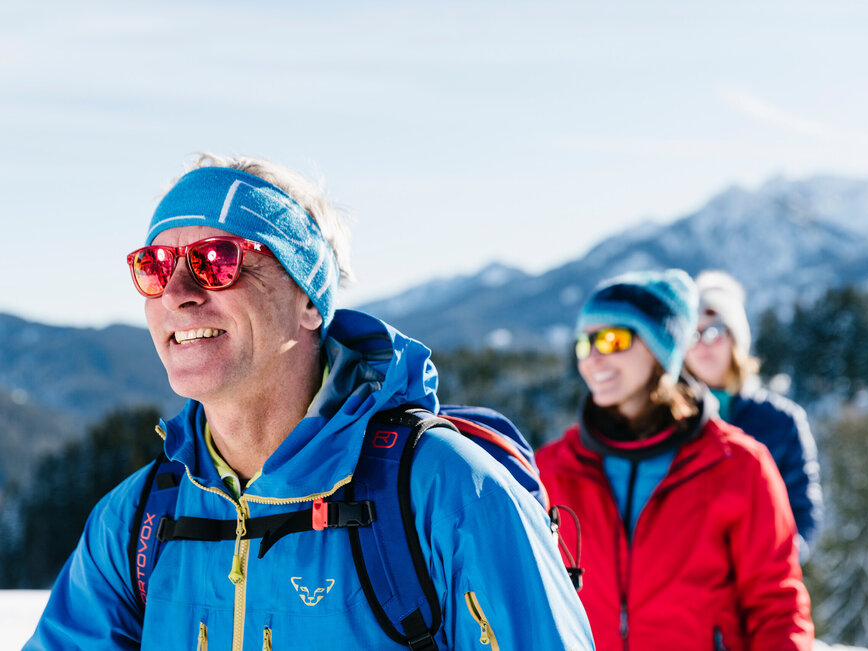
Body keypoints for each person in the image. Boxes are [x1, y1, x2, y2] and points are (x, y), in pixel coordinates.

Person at [26, 154, 594, 650]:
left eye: (216, 260)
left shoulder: (448, 494)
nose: (177, 293)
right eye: (154, 267)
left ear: (307, 299)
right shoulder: (135, 523)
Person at [536, 269, 813, 651]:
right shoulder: (552, 470)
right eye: (585, 344)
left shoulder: (738, 465)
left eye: (613, 339)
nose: (593, 359)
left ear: (660, 348)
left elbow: (777, 610)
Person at [684, 270, 822, 560]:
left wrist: (769, 566)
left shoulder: (782, 421)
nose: (702, 344)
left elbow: (802, 514)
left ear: (736, 338)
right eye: (692, 334)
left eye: (713, 332)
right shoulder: (667, 420)